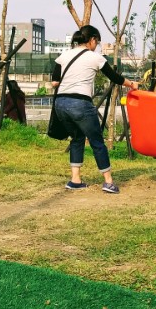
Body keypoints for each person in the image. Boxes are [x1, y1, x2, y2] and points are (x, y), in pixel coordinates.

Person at [52, 25, 138, 194]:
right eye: (97, 42)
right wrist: (131, 84)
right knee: (97, 141)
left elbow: (55, 82)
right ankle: (108, 182)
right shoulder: (95, 57)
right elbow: (114, 77)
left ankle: (75, 180)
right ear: (91, 40)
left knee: (77, 138)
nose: (96, 45)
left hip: (60, 103)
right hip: (80, 103)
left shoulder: (64, 55)